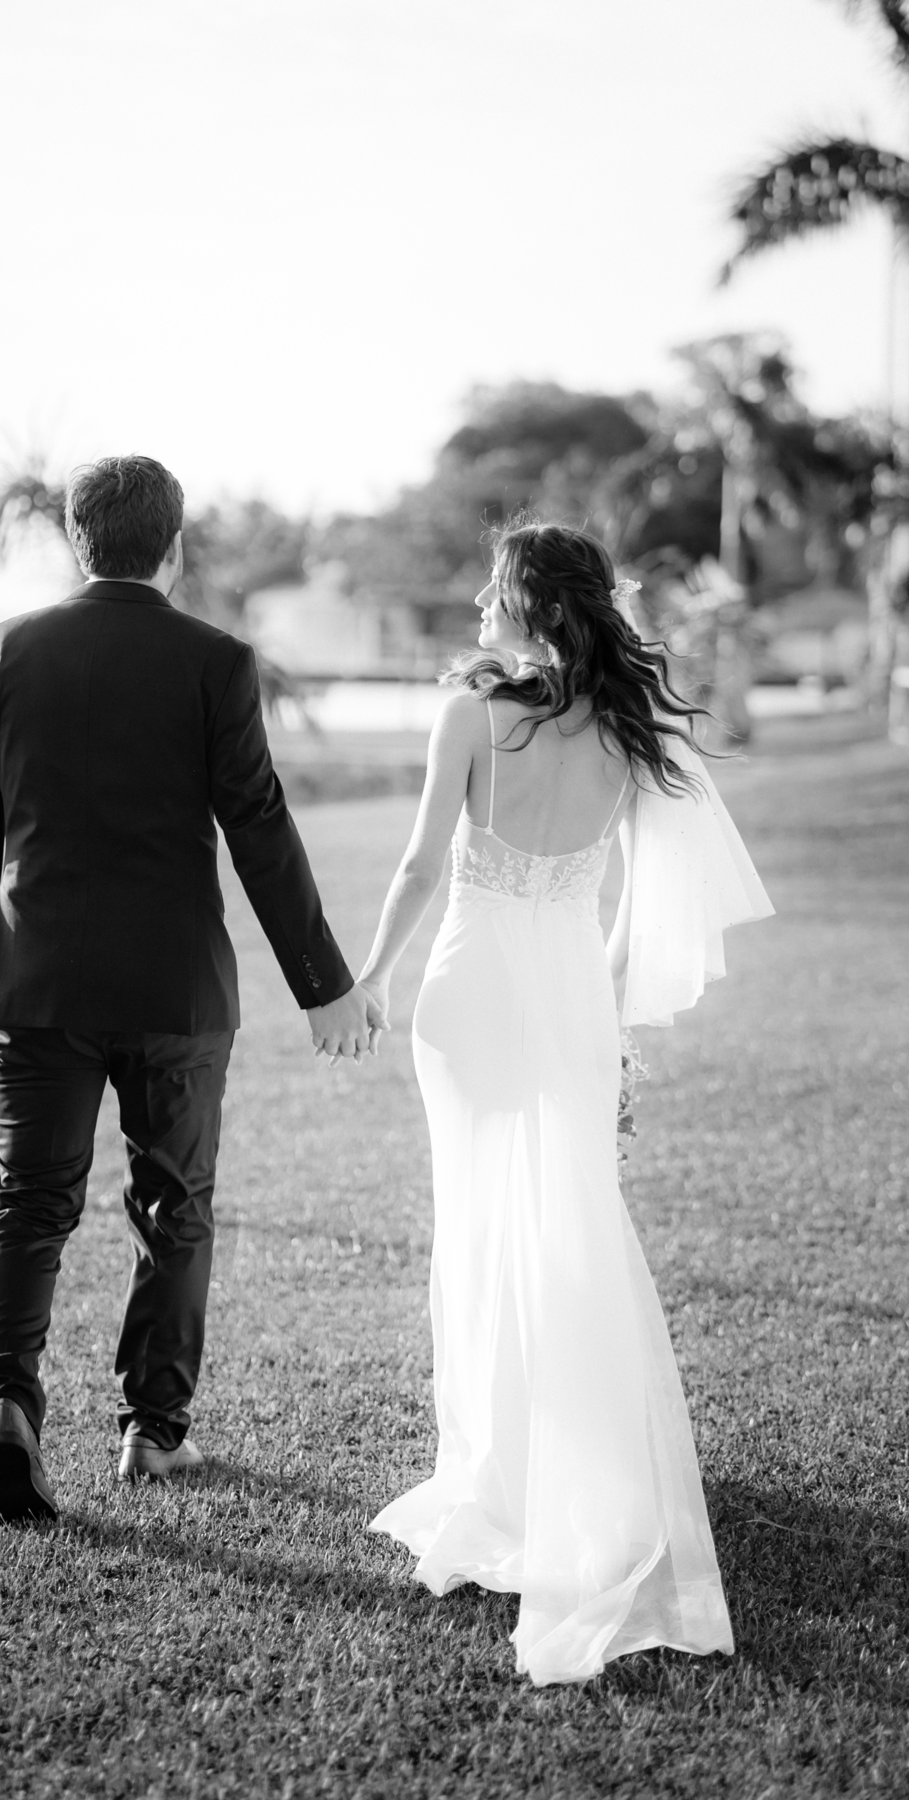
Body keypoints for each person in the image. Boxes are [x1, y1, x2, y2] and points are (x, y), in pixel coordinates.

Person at [358, 520, 773, 1686]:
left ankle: (501, 1476)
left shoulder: (472, 715)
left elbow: (419, 870)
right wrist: (613, 1018)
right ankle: (572, 1475)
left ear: (527, 609)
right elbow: (642, 907)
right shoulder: (631, 732)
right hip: (567, 993)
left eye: (493, 597)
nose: (481, 616)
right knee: (573, 1227)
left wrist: (366, 981)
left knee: (485, 1226)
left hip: (469, 992)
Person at [0, 454, 385, 1527]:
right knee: (173, 1209)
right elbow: (260, 828)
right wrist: (322, 983)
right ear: (175, 548)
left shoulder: (0, 650)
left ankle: (9, 1412)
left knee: (30, 1203)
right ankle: (152, 1431)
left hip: (37, 977)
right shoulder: (216, 661)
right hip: (176, 989)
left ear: (77, 540)